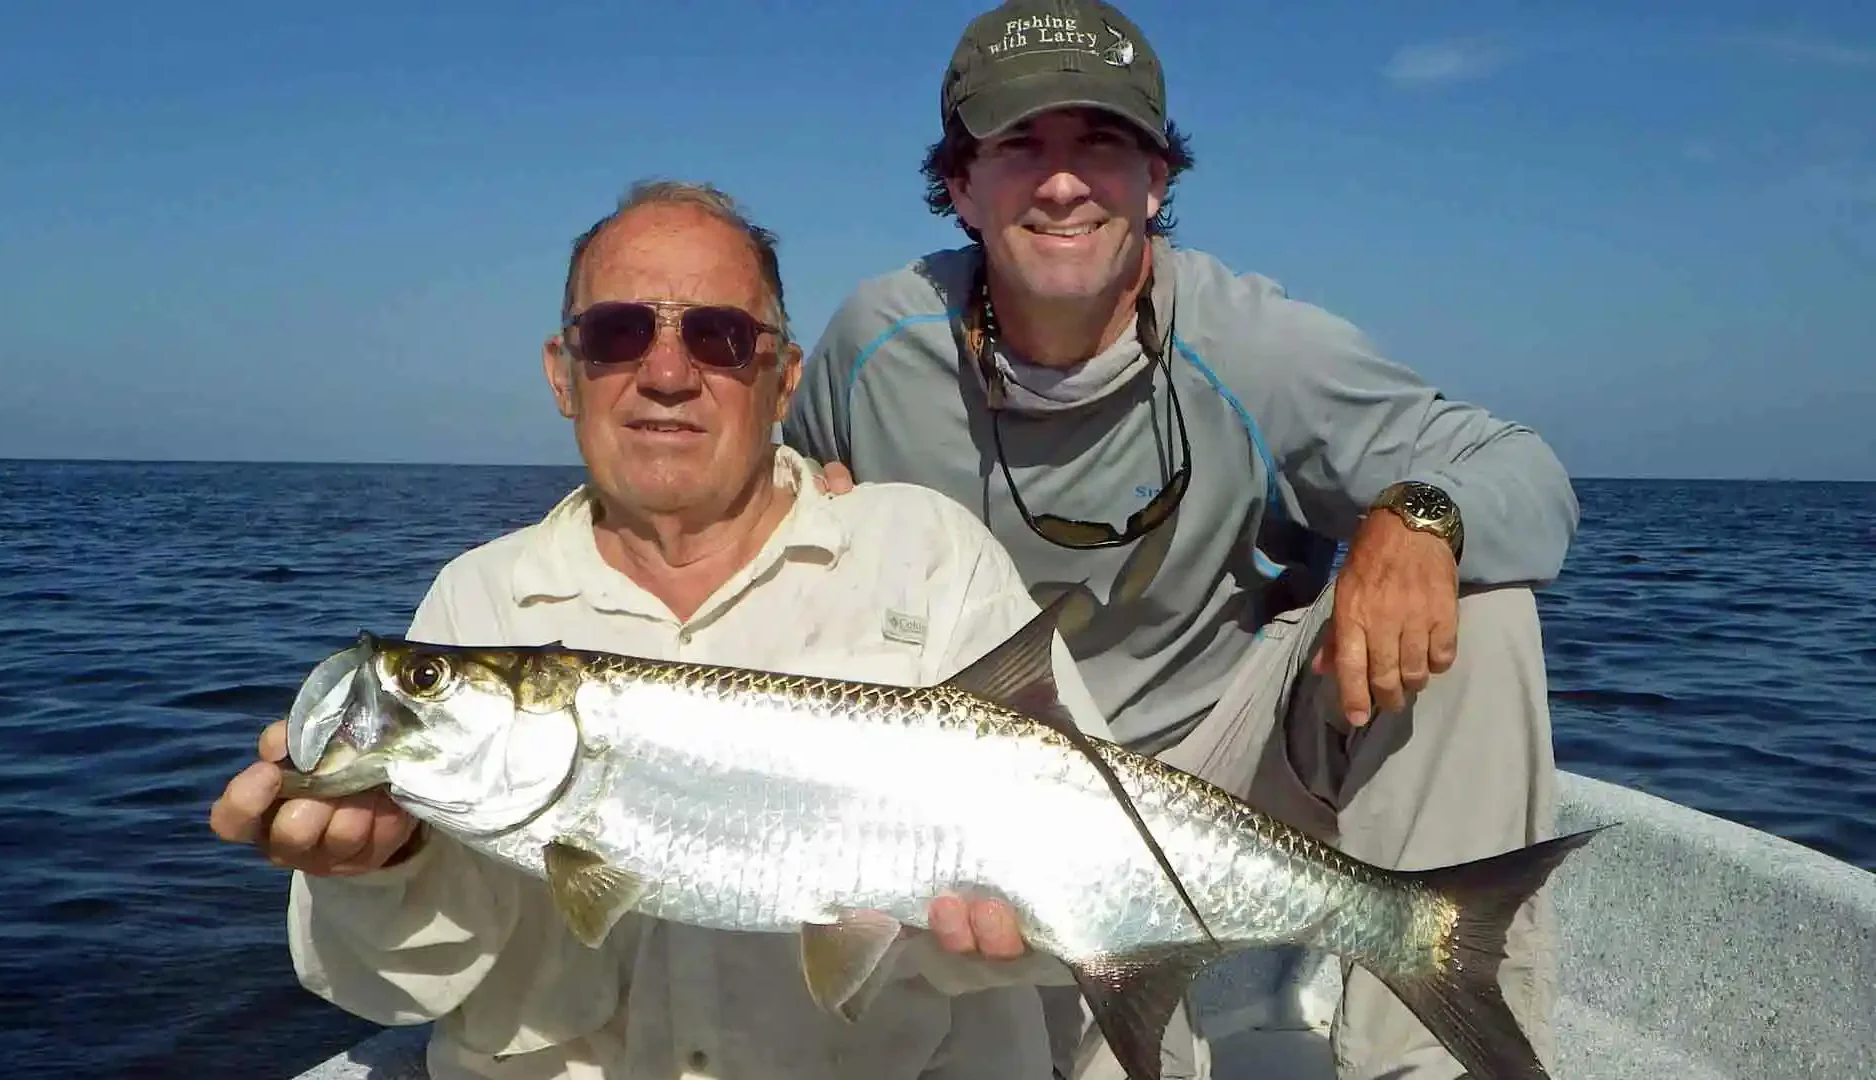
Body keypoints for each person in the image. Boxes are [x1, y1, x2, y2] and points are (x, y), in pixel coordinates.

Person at [780, 2, 1582, 1078]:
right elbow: (761, 509)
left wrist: (1421, 516)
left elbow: (1523, 473)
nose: (1062, 183)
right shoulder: (872, 343)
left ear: (1157, 182)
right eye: (1020, 146)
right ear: (961, 187)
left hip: (1220, 754)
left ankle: (1429, 1050)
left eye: (1101, 146)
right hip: (973, 797)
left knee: (1478, 604)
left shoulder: (1254, 343)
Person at [209, 180, 1114, 1080]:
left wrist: (1012, 930)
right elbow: (390, 989)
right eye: (617, 334)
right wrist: (381, 869)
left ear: (784, 378)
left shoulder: (929, 553)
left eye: (719, 336)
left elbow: (1113, 869)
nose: (669, 374)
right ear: (564, 374)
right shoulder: (480, 597)